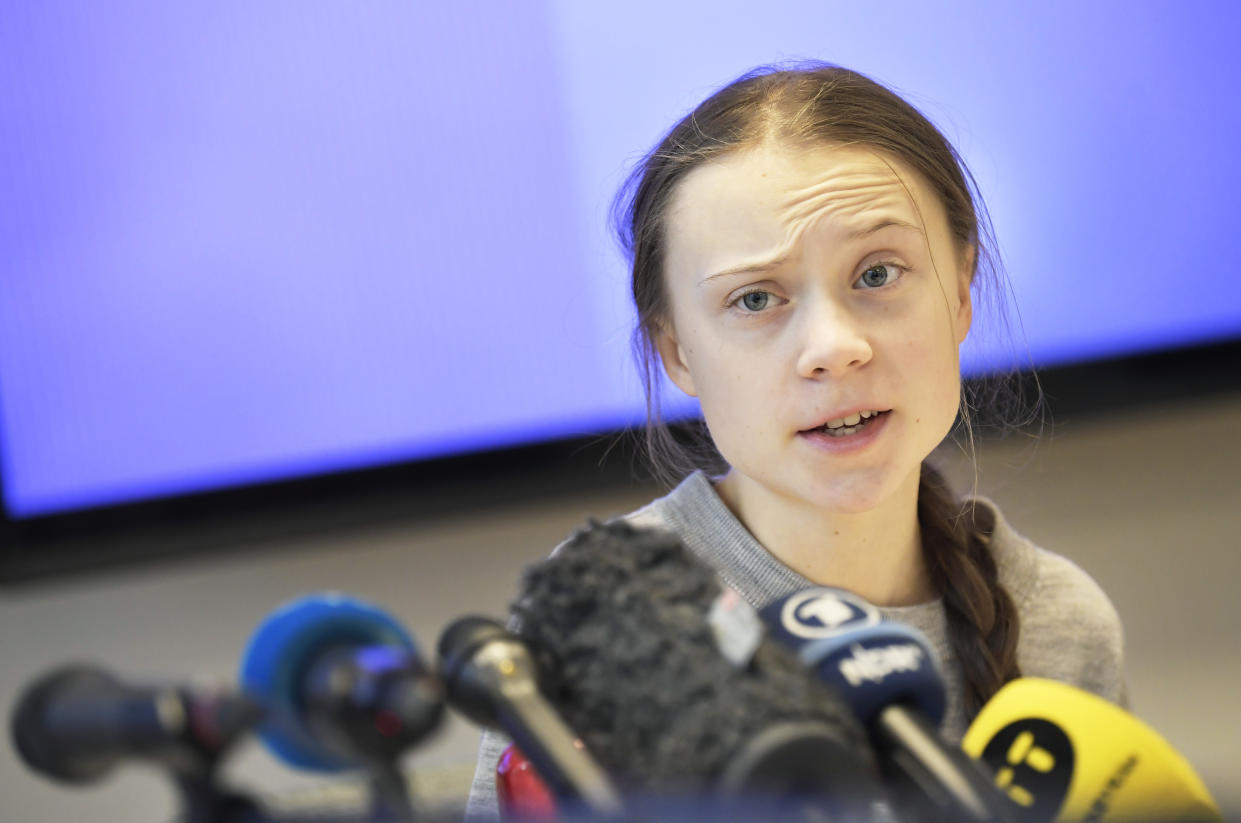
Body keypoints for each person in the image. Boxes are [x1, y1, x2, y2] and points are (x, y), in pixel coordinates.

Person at [464, 62, 1126, 819]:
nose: (833, 346)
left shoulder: (1060, 625)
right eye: (754, 299)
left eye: (877, 273)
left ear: (961, 288)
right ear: (675, 349)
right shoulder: (607, 616)